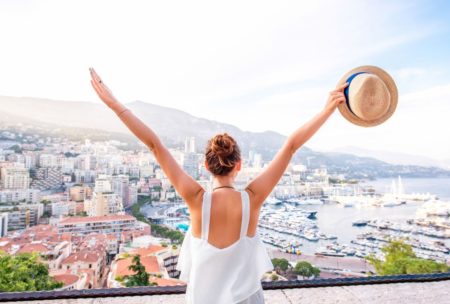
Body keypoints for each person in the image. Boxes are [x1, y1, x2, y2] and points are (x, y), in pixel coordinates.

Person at [89, 68, 348, 303]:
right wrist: (326, 110)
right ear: (239, 165)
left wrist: (114, 105)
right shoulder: (252, 198)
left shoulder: (196, 199)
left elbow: (155, 145)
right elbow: (291, 146)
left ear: (205, 165)